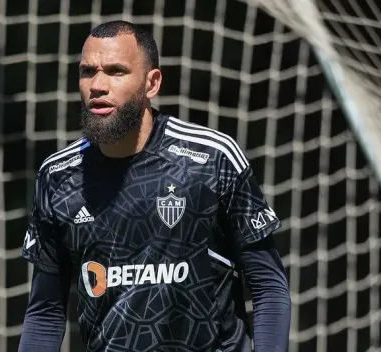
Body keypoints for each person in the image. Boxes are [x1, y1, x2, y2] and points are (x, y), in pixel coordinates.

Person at [19, 20, 291, 352]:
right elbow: (46, 312)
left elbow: (268, 287)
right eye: (88, 72)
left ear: (152, 83)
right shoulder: (58, 176)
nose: (98, 85)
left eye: (116, 72)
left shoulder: (212, 159)